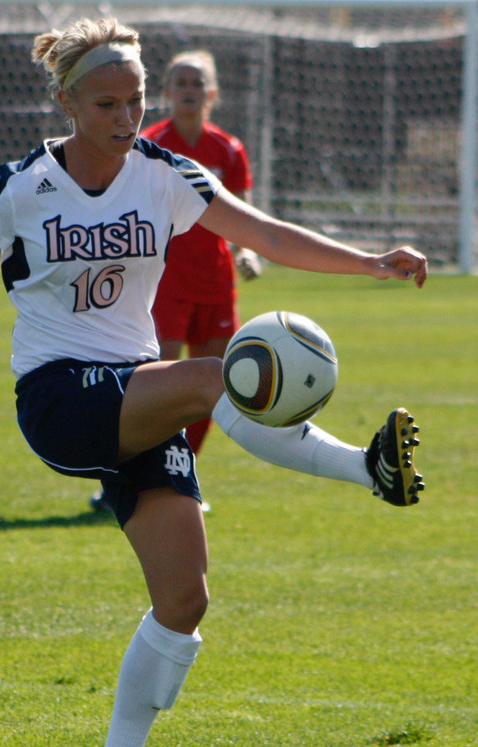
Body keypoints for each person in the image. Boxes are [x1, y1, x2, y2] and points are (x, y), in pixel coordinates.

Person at [0, 16, 426, 747]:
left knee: (184, 599)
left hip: (137, 393)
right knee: (217, 378)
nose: (124, 115)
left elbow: (264, 234)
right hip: (60, 397)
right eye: (107, 102)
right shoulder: (16, 184)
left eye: (134, 100)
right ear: (69, 102)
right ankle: (368, 471)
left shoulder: (166, 173)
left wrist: (369, 260)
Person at [143, 50, 261, 456]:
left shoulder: (228, 149)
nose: (189, 90)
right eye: (182, 82)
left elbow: (243, 216)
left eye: (198, 83)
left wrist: (247, 252)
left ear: (212, 93)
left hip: (215, 282)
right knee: (159, 384)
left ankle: (180, 472)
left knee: (214, 386)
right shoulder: (150, 146)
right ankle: (133, 475)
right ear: (166, 92)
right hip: (166, 282)